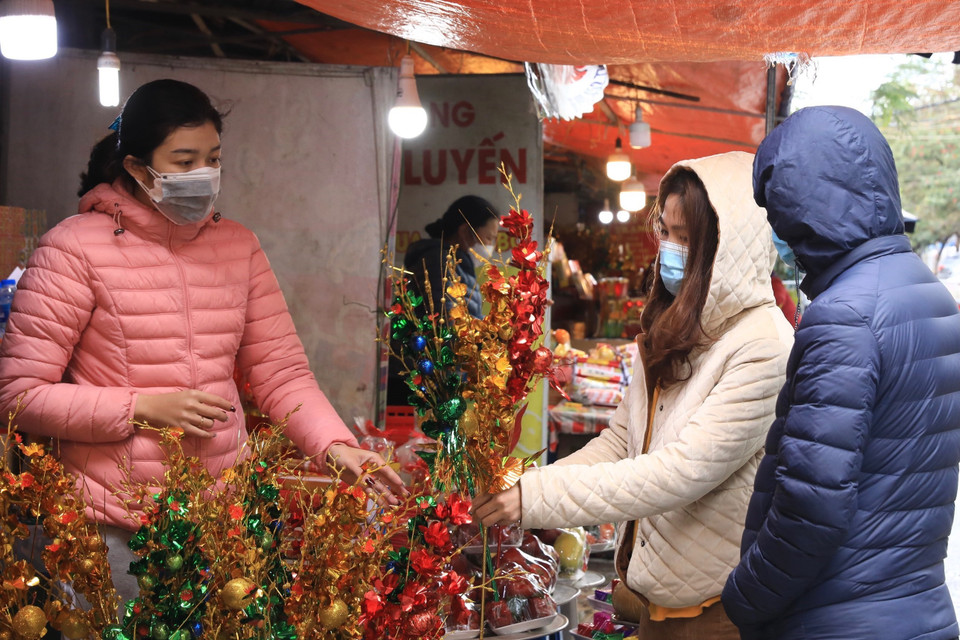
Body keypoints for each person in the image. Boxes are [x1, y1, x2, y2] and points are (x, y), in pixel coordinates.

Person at [0, 79, 403, 601]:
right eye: (184, 161)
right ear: (137, 168)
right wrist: (142, 407)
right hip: (111, 524)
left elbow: (281, 372)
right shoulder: (72, 249)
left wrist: (333, 445)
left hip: (218, 518)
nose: (203, 175)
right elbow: (19, 395)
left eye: (212, 158)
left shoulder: (238, 246)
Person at [473, 151, 793, 639]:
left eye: (687, 238)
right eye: (666, 231)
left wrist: (536, 498)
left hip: (717, 612)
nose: (669, 247)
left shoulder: (764, 345)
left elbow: (680, 472)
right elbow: (620, 442)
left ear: (726, 246)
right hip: (655, 601)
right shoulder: (678, 328)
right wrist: (528, 486)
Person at [723, 106, 960, 640]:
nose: (776, 230)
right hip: (916, 608)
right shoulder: (929, 293)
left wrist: (744, 597)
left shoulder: (845, 316)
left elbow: (811, 503)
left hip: (835, 617)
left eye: (777, 211)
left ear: (802, 206)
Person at [404, 195, 500, 319]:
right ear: (465, 231)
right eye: (488, 238)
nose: (490, 246)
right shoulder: (439, 263)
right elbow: (446, 321)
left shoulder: (459, 266)